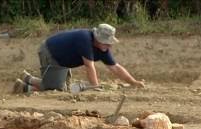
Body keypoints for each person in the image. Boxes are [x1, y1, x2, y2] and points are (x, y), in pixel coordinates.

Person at [13, 23, 145, 93]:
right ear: (98, 39)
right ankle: (23, 87)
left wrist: (133, 82)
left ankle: (27, 78)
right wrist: (95, 86)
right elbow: (89, 66)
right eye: (106, 42)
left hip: (62, 60)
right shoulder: (85, 39)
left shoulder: (102, 47)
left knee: (63, 88)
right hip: (50, 53)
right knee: (55, 89)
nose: (109, 45)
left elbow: (115, 67)